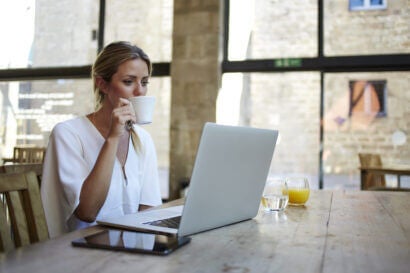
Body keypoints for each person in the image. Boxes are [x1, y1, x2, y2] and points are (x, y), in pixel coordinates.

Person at [41, 41, 162, 238]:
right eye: (129, 82)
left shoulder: (143, 139)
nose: (140, 91)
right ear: (102, 84)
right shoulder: (67, 134)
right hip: (77, 254)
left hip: (127, 257)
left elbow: (148, 210)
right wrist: (113, 138)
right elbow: (87, 213)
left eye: (145, 82)